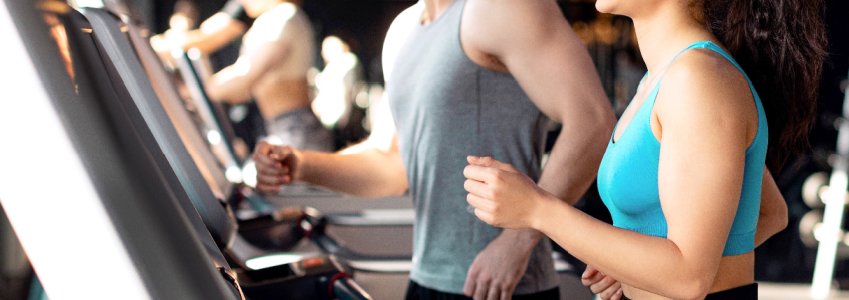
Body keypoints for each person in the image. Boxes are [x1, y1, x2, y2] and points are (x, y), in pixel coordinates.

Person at [460, 0, 827, 298]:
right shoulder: (662, 80)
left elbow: (688, 278)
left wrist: (537, 209)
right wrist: (635, 267)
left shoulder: (699, 81)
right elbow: (769, 213)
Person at [252, 0, 617, 299]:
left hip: (500, 285)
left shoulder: (503, 7)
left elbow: (593, 122)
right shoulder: (403, 30)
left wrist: (516, 244)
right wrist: (299, 165)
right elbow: (390, 164)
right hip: (427, 280)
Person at [205, 0, 332, 152]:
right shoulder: (270, 19)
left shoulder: (283, 15)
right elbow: (242, 90)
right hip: (281, 126)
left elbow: (245, 76)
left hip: (295, 128)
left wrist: (199, 88)